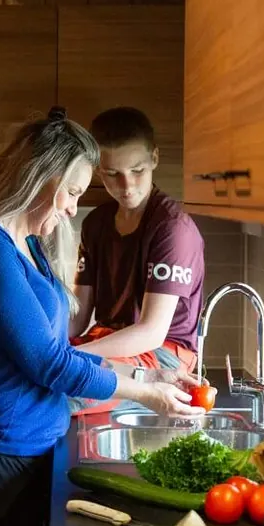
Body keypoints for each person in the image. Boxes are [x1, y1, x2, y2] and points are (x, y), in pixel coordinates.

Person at [0, 107, 205, 526]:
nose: (75, 207)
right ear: (41, 178)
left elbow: (62, 349)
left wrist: (152, 378)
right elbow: (51, 363)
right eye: (72, 192)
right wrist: (142, 391)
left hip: (33, 452)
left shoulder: (32, 246)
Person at [68, 107, 205, 415]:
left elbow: (152, 331)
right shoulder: (96, 224)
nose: (127, 185)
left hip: (163, 353)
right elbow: (77, 316)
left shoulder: (172, 228)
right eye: (113, 174)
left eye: (137, 170)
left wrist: (71, 358)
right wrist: (47, 348)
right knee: (26, 383)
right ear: (97, 170)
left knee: (57, 392)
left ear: (154, 158)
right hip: (105, 341)